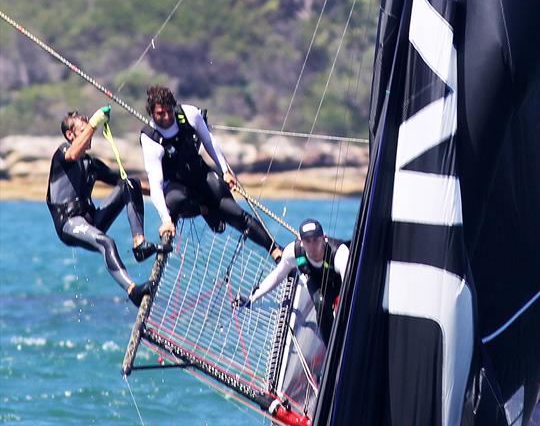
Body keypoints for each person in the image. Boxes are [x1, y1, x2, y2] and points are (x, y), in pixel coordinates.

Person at [139, 85, 280, 259]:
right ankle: (204, 209)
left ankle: (275, 251)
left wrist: (225, 171)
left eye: (169, 111)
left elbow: (209, 142)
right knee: (176, 201)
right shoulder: (150, 138)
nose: (167, 117)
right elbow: (156, 184)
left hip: (201, 175)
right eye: (160, 113)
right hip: (177, 188)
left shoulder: (189, 114)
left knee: (235, 213)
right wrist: (166, 220)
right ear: (151, 113)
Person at [47, 107, 163, 306]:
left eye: (88, 130)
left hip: (92, 219)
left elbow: (129, 185)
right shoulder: (63, 154)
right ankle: (132, 290)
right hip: (69, 224)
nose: (89, 134)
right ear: (70, 134)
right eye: (82, 131)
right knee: (107, 243)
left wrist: (161, 192)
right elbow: (73, 154)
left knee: (130, 183)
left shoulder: (92, 164)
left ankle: (139, 244)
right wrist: (94, 122)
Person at [235, 218, 349, 345]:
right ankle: (332, 347)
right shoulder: (294, 252)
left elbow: (350, 287)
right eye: (307, 241)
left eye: (316, 240)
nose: (312, 246)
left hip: (341, 283)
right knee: (321, 305)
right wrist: (252, 298)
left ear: (324, 238)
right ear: (301, 241)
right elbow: (278, 276)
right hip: (317, 283)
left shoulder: (339, 253)